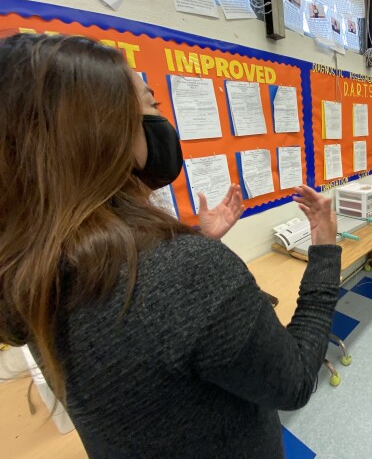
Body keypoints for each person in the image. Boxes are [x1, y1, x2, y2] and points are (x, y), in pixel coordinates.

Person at [0, 34, 342, 457]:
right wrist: (325, 249)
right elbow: (294, 381)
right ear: (104, 133)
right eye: (151, 104)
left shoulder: (27, 263)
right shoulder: (186, 272)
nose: (161, 117)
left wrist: (190, 244)